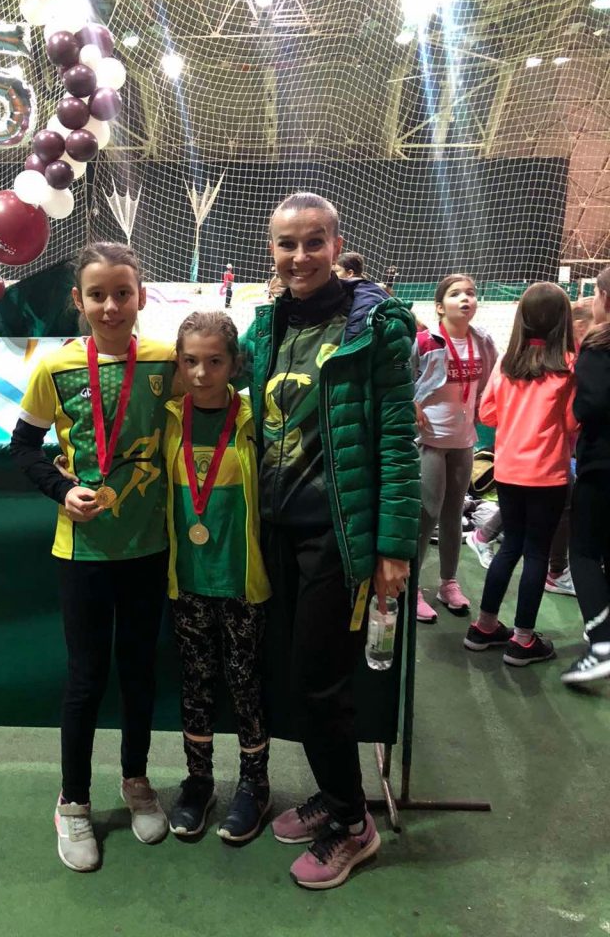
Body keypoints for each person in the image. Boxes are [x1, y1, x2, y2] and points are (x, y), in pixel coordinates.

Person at [241, 192, 420, 890]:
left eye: (313, 241)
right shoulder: (267, 326)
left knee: (322, 685)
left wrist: (394, 548)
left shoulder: (375, 326)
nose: (300, 256)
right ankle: (333, 793)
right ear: (271, 251)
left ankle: (353, 825)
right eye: (287, 244)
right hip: (277, 534)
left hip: (339, 541)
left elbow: (398, 441)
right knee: (298, 677)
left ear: (336, 245)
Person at [10, 242, 176, 872]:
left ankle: (136, 781)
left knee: (138, 672)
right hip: (82, 551)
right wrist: (61, 491)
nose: (111, 306)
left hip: (150, 546)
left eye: (122, 293)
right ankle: (73, 801)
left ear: (141, 297)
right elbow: (23, 448)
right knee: (86, 678)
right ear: (78, 301)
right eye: (98, 295)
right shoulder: (54, 368)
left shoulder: (166, 362)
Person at [163, 311, 272, 841]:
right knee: (196, 682)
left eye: (214, 361)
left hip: (242, 582)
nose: (201, 373)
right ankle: (199, 781)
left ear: (234, 364)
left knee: (245, 681)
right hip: (187, 580)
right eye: (190, 361)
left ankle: (254, 784)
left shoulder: (256, 418)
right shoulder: (167, 417)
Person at [464, 282, 577, 667]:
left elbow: (487, 414)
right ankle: (523, 641)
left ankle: (483, 627)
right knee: (536, 553)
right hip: (548, 475)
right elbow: (572, 421)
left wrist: (517, 418)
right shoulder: (568, 365)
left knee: (510, 545)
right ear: (562, 320)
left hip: (509, 471)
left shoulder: (507, 363)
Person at [412, 276, 497, 622]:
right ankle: (411, 587)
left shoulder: (483, 342)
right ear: (439, 306)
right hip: (430, 441)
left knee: (452, 516)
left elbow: (490, 383)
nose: (465, 299)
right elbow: (401, 379)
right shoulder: (425, 342)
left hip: (463, 442)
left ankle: (448, 583)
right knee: (427, 515)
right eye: (456, 293)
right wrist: (410, 403)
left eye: (471, 293)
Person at [562, 268, 610, 684]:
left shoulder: (598, 347)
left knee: (583, 554)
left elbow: (590, 406)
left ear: (604, 298)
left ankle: (601, 645)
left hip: (602, 467)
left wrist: (571, 409)